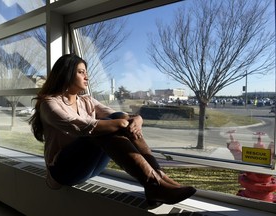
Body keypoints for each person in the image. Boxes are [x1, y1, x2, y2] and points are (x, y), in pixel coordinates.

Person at [29, 53, 196, 205]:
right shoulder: (49, 103)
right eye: (80, 72)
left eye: (86, 72)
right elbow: (80, 127)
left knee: (116, 118)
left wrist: (136, 119)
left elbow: (121, 116)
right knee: (99, 129)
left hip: (90, 166)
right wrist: (123, 123)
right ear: (65, 74)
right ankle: (154, 184)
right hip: (63, 170)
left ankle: (159, 178)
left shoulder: (86, 100)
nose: (86, 76)